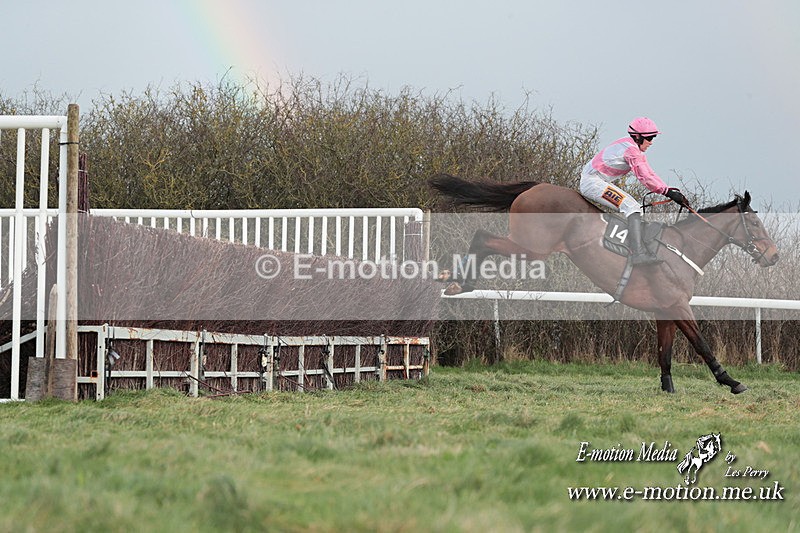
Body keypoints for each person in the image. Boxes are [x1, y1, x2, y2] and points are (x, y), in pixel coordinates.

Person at [579, 117, 690, 265]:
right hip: (592, 182)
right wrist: (668, 193)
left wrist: (668, 190)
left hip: (598, 180)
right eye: (649, 138)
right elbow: (644, 177)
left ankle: (636, 248)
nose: (651, 142)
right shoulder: (631, 151)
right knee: (632, 207)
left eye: (653, 138)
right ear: (638, 137)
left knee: (636, 208)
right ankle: (637, 254)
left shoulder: (633, 147)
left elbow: (650, 173)